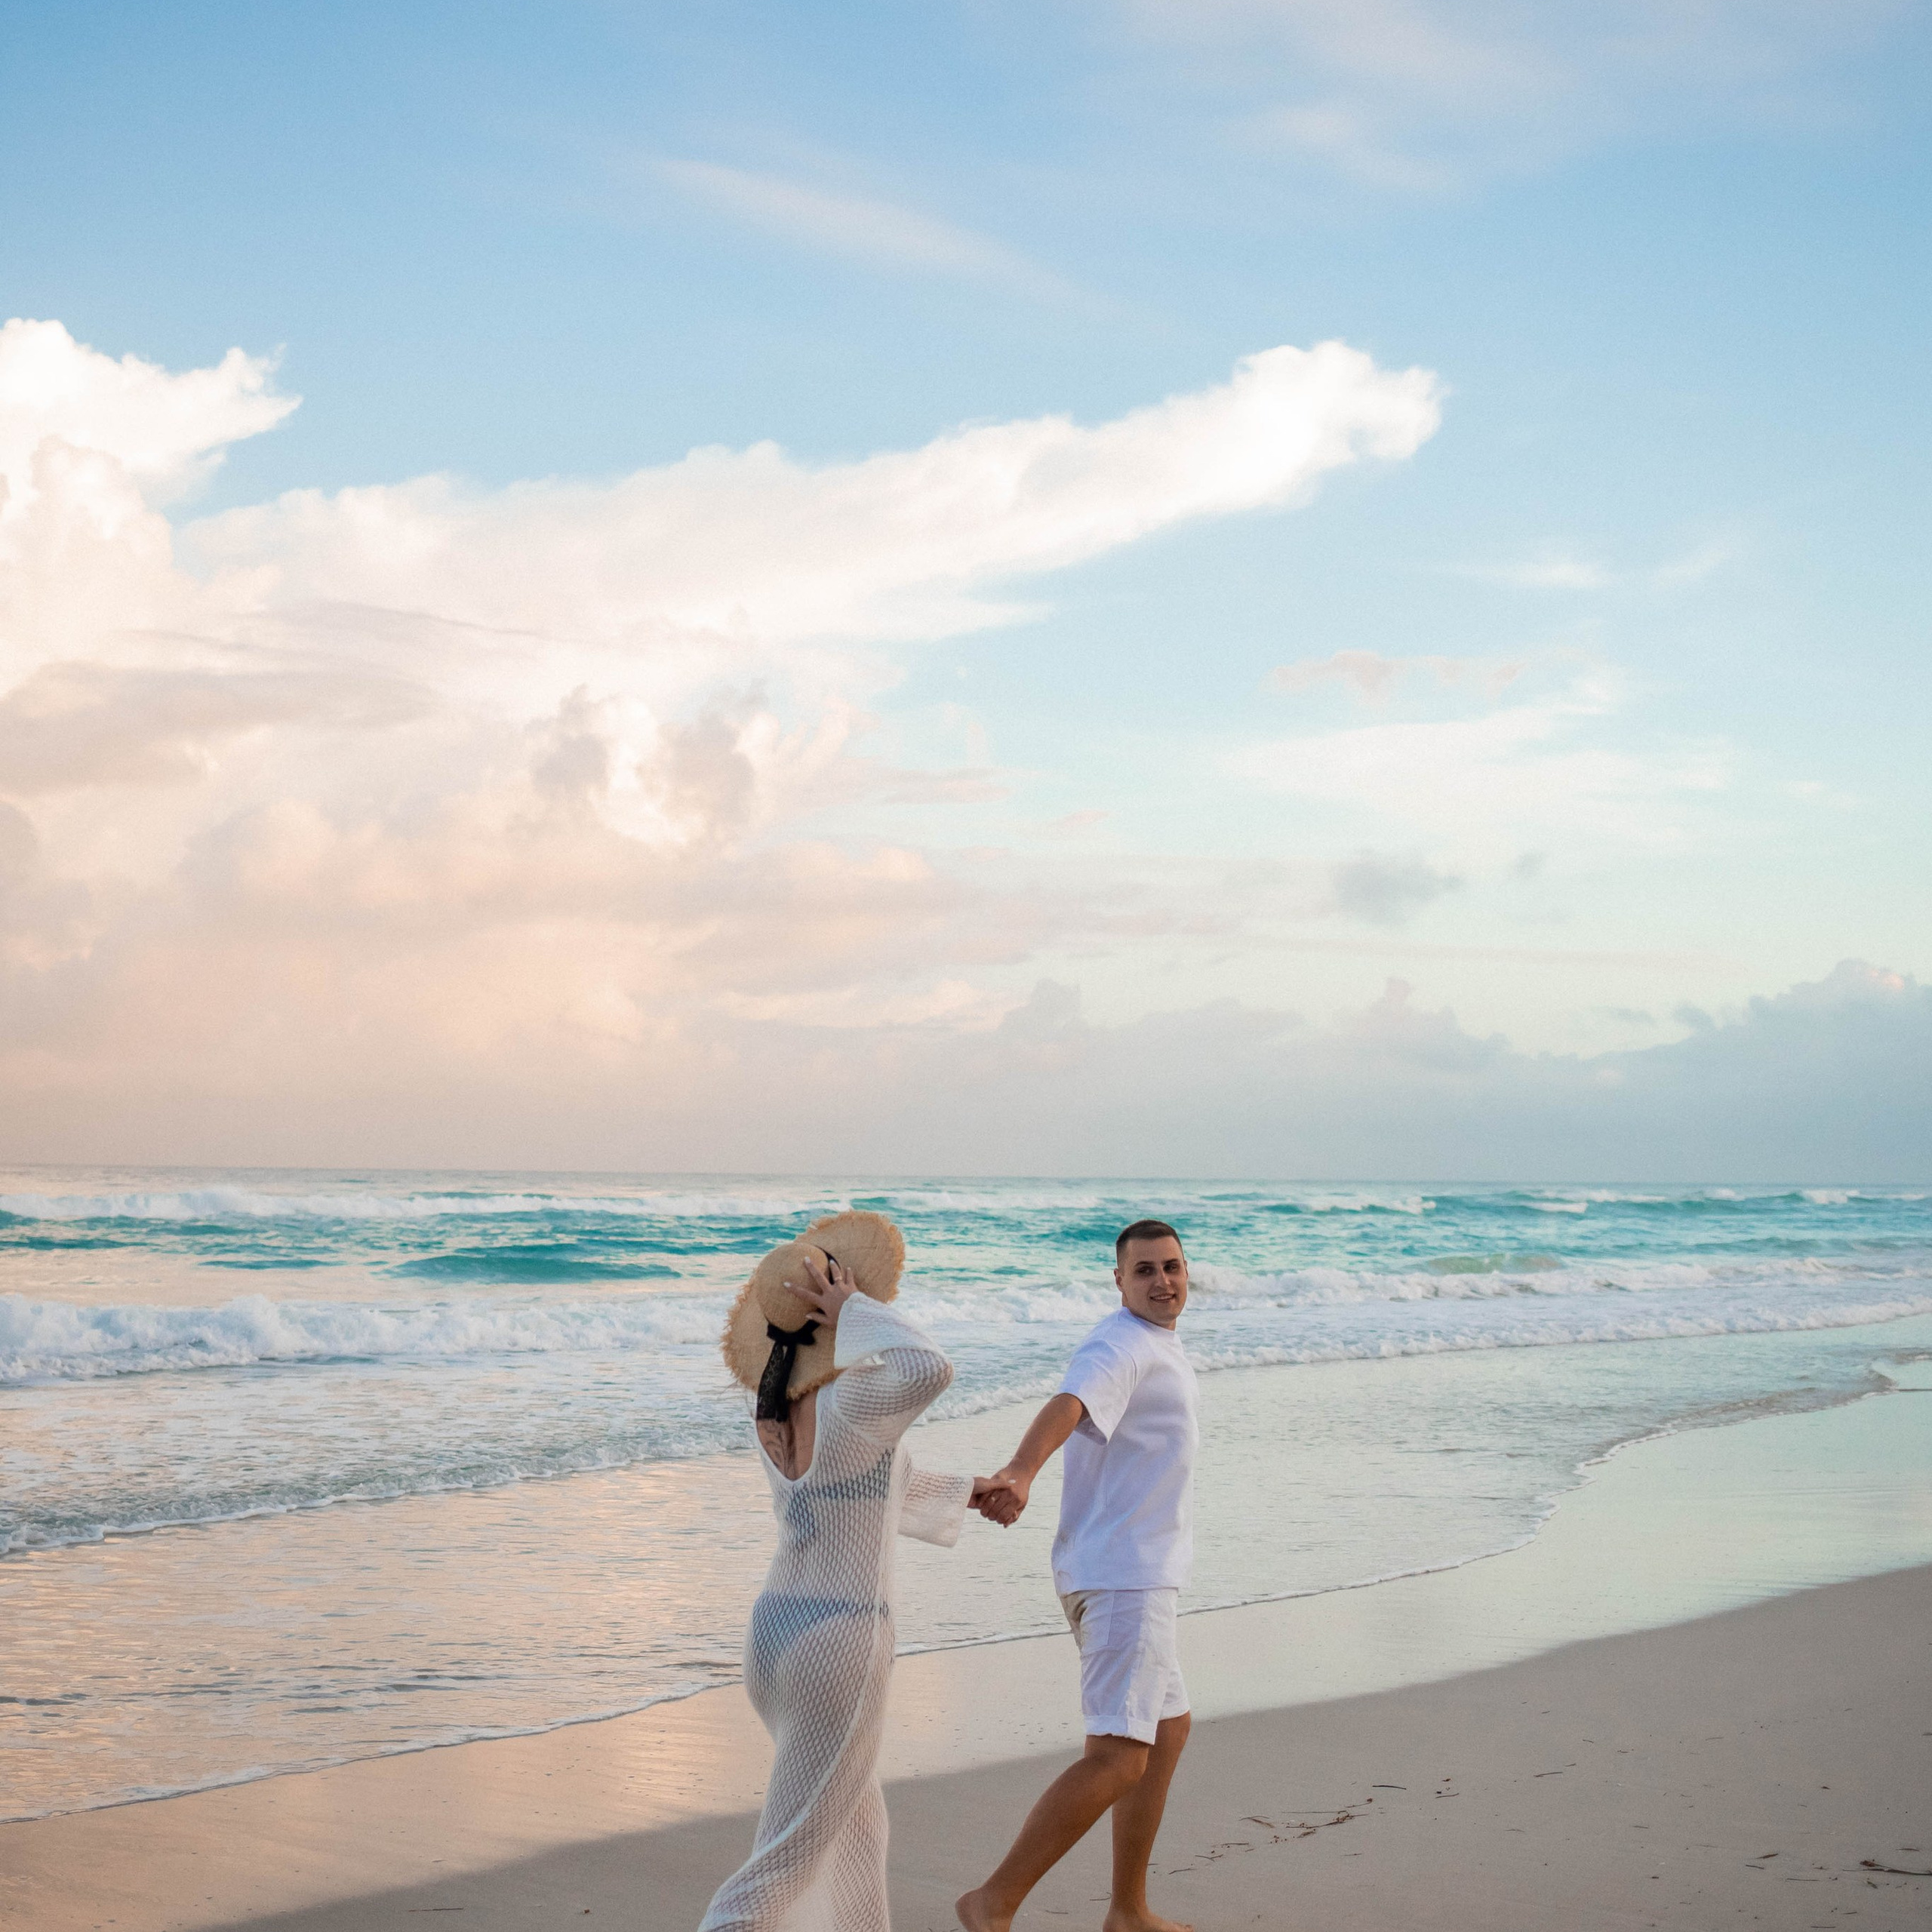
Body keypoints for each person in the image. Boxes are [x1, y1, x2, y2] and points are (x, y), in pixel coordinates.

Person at [700, 1209, 1000, 1932]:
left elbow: (852, 1488)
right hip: (841, 1647)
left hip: (774, 1641)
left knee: (858, 1837)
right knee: (780, 1866)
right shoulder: (855, 1400)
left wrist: (966, 1491)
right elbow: (932, 1368)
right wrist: (854, 1307)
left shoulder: (777, 1406)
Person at [958, 1219, 1199, 1932]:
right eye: (1145, 1270)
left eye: (1173, 1267)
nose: (1163, 1281)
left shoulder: (1157, 1344)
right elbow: (1070, 1403)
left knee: (1168, 1729)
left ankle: (1128, 1911)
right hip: (1125, 1576)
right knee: (1122, 1754)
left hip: (1129, 1570)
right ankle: (993, 1900)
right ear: (1119, 1281)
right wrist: (1020, 1471)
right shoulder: (1119, 1345)